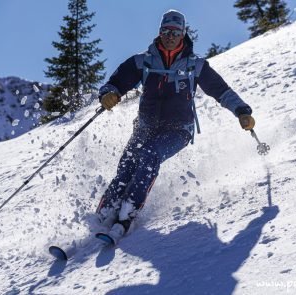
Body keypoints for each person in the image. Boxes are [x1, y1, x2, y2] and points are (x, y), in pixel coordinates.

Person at [95, 9, 255, 242]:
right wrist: (109, 94)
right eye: (166, 31)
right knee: (128, 162)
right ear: (159, 33)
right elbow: (115, 83)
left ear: (183, 35)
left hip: (178, 130)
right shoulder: (143, 61)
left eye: (175, 32)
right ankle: (104, 213)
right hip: (145, 125)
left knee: (149, 155)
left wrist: (242, 111)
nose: (170, 36)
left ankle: (127, 214)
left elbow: (221, 91)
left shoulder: (195, 66)